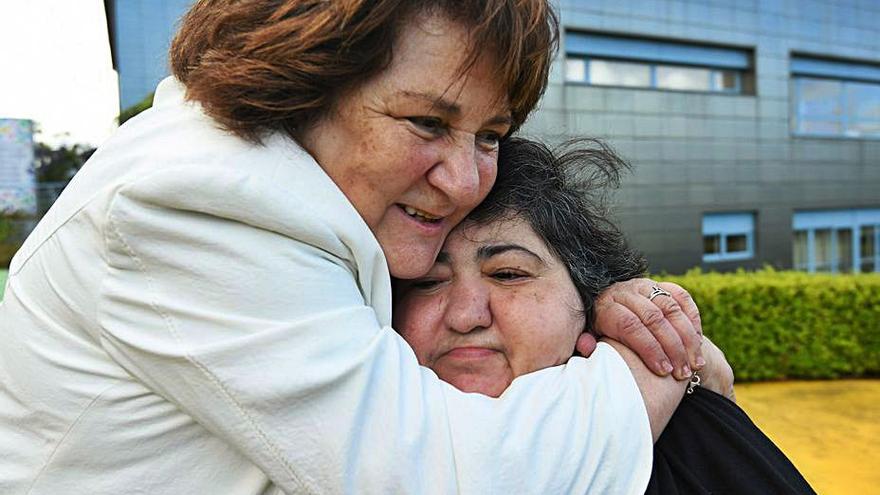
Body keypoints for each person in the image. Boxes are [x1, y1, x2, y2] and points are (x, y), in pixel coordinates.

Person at [1, 1, 703, 493]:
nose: (464, 181)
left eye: (490, 134)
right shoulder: (202, 199)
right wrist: (659, 363)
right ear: (304, 80)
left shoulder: (301, 198)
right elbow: (447, 476)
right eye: (427, 121)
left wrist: (624, 305)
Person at [393, 136, 816, 494]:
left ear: (588, 302)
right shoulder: (350, 430)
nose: (466, 315)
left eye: (508, 274)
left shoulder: (686, 437)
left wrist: (677, 352)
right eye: (428, 281)